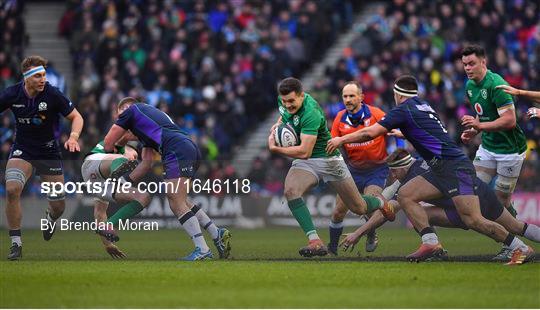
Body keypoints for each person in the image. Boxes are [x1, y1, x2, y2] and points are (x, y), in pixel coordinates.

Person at [326, 75, 534, 265]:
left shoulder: (402, 110)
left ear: (398, 95)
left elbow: (370, 132)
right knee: (406, 195)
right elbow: (429, 133)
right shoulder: (422, 105)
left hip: (454, 168)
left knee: (473, 220)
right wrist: (406, 134)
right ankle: (430, 242)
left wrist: (341, 139)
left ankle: (519, 247)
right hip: (440, 168)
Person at [340, 149, 540, 264]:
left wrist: (358, 233)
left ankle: (519, 247)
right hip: (481, 191)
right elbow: (388, 200)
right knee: (517, 226)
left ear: (400, 168)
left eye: (393, 172)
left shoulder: (411, 179)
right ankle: (434, 247)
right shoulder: (420, 165)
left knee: (473, 221)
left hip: (466, 201)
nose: (393, 176)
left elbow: (389, 210)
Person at [268, 77, 394, 258]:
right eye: (285, 101)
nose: (287, 105)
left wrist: (275, 148)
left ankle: (381, 202)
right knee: (291, 190)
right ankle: (315, 241)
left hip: (328, 160)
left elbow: (304, 151)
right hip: (307, 162)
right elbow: (284, 114)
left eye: (291, 101)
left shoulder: (311, 112)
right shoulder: (284, 100)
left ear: (302, 96)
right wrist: (279, 124)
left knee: (359, 207)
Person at [102, 98, 231, 260]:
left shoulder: (131, 111)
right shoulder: (148, 128)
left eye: (119, 116)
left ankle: (203, 249)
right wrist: (123, 183)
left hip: (176, 149)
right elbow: (146, 164)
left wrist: (110, 156)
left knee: (175, 201)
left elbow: (109, 140)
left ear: (124, 109)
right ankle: (216, 233)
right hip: (185, 147)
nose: (119, 120)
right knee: (182, 200)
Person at [0, 55, 84, 260]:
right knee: (12, 189)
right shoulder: (12, 94)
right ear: (26, 77)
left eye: (44, 75)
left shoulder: (53, 94)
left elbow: (77, 117)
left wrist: (73, 137)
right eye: (38, 76)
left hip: (48, 152)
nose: (43, 79)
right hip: (23, 150)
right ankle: (16, 243)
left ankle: (50, 218)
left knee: (58, 207)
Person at [327, 81, 389, 255]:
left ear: (361, 97)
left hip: (377, 169)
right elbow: (332, 145)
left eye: (352, 96)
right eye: (345, 96)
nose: (348, 99)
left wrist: (396, 150)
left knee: (368, 203)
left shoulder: (376, 114)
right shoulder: (339, 118)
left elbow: (394, 131)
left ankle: (370, 232)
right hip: (352, 170)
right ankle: (332, 248)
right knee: (338, 211)